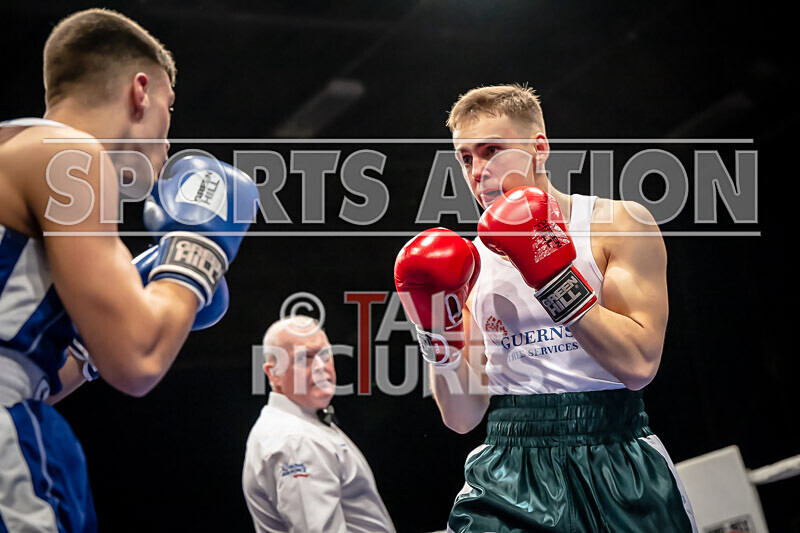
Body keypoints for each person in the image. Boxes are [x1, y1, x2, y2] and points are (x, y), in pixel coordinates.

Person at [394, 84, 697, 532]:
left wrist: (550, 273)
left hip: (616, 453)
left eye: (492, 150)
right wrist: (435, 334)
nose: (478, 170)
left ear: (539, 148)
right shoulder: (466, 266)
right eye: (465, 158)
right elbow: (462, 419)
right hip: (507, 467)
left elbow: (638, 364)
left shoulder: (616, 224)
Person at [0, 9, 255, 531]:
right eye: (169, 106)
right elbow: (138, 359)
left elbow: (29, 373)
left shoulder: (14, 150)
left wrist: (87, 344)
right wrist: (195, 258)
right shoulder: (70, 156)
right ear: (141, 91)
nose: (168, 140)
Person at [243, 316, 395, 533]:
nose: (320, 367)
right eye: (305, 358)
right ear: (273, 373)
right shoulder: (296, 440)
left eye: (325, 354)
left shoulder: (299, 424)